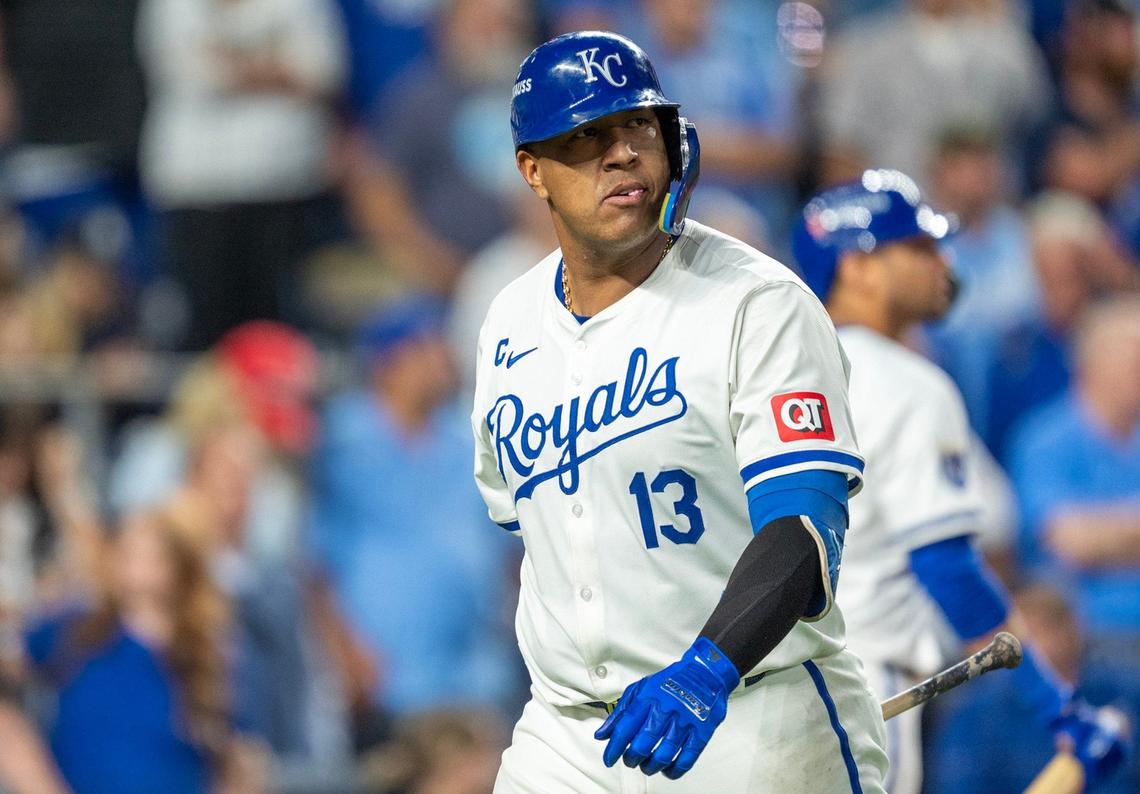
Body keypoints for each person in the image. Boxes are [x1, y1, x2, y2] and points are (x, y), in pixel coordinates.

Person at [472, 30, 889, 792]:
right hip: (567, 735)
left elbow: (802, 528)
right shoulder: (507, 323)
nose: (621, 152)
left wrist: (706, 669)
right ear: (533, 172)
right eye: (585, 137)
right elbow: (533, 524)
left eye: (637, 126)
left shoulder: (758, 304)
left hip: (751, 711)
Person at [790, 169, 1128, 794]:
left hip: (765, 692)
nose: (940, 260)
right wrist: (1056, 704)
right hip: (860, 686)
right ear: (857, 268)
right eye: (916, 248)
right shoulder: (906, 380)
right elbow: (946, 568)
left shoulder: (776, 374)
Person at [1007, 295, 1140, 664]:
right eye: (1133, 358)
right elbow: (1068, 541)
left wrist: (1106, 534)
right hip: (1088, 636)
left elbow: (1089, 537)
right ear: (1094, 363)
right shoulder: (1044, 439)